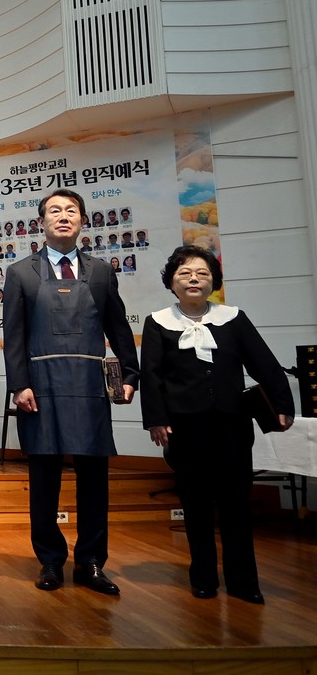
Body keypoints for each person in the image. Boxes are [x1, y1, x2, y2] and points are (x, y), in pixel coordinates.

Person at [139, 245, 294, 603]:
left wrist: (283, 405)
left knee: (236, 502)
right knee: (195, 504)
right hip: (184, 427)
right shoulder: (158, 321)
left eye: (203, 273)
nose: (194, 278)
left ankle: (243, 582)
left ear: (214, 282)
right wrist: (156, 419)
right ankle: (203, 576)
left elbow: (265, 364)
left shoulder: (234, 318)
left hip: (232, 424)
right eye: (185, 273)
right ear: (171, 283)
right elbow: (152, 376)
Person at [2, 190, 139, 595]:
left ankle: (92, 562)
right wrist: (18, 384)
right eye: (54, 211)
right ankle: (50, 561)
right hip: (39, 389)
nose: (63, 217)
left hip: (87, 385)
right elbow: (14, 335)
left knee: (94, 478)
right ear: (41, 223)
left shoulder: (100, 271)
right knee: (44, 479)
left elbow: (118, 327)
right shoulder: (21, 273)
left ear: (82, 221)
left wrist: (130, 375)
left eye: (71, 211)